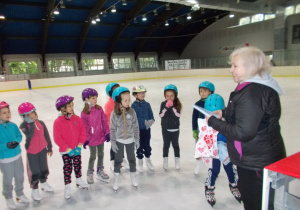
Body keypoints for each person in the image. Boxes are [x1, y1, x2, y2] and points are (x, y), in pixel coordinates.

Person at [206, 46, 286, 210]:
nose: (230, 70)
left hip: (256, 163)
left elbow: (244, 132)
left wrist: (213, 122)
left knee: (255, 204)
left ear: (250, 67)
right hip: (259, 158)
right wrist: (224, 112)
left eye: (235, 66)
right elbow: (251, 116)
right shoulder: (258, 86)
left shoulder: (252, 92)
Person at [196, 94, 241, 207]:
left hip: (226, 150)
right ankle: (209, 187)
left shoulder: (227, 122)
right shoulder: (204, 123)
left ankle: (233, 184)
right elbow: (202, 139)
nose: (213, 117)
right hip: (213, 152)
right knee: (214, 170)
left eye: (216, 114)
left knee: (230, 168)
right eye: (210, 114)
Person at [53, 95, 89, 199]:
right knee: (68, 168)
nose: (72, 108)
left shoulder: (76, 118)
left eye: (72, 105)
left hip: (76, 148)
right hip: (66, 151)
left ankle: (79, 179)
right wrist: (67, 149)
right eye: (69, 106)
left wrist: (79, 144)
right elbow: (57, 138)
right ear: (62, 108)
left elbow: (83, 131)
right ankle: (67, 186)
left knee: (78, 164)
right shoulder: (58, 122)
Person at [19, 102, 54, 201]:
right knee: (35, 171)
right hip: (32, 152)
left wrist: (49, 147)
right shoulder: (24, 126)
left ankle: (44, 182)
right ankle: (34, 189)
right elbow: (29, 134)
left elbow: (46, 135)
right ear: (23, 117)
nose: (31, 116)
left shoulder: (41, 123)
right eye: (27, 115)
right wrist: (31, 123)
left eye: (32, 113)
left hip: (42, 150)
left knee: (44, 168)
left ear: (35, 112)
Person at [0, 101, 29, 209]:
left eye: (8, 112)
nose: (7, 114)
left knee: (19, 176)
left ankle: (19, 193)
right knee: (8, 179)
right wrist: (6, 145)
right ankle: (8, 197)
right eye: (4, 113)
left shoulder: (13, 125)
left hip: (17, 156)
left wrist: (16, 141)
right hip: (5, 159)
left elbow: (19, 135)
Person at [110, 87, 140, 191]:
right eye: (125, 100)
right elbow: (112, 128)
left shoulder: (132, 112)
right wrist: (113, 142)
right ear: (119, 101)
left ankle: (133, 175)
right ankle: (116, 178)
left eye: (129, 100)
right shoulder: (114, 113)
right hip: (119, 141)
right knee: (118, 160)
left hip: (130, 140)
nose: (128, 102)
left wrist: (137, 139)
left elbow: (136, 126)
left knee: (132, 159)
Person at [81, 88, 110, 184]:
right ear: (86, 100)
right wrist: (86, 139)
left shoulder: (99, 108)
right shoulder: (84, 113)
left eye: (96, 97)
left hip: (100, 135)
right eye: (93, 98)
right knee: (93, 155)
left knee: (101, 154)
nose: (95, 100)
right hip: (91, 139)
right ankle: (90, 172)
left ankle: (100, 170)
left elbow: (104, 121)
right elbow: (84, 127)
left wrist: (107, 132)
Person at [104, 82, 129, 171]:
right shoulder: (109, 104)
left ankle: (122, 159)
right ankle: (113, 160)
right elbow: (107, 118)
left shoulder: (122, 101)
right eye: (115, 90)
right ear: (110, 93)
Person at [192, 81, 215, 175]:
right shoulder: (197, 104)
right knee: (199, 148)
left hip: (211, 130)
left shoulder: (214, 102)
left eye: (205, 91)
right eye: (201, 91)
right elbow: (194, 118)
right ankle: (198, 163)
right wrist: (194, 130)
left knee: (211, 149)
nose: (203, 93)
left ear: (210, 92)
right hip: (200, 130)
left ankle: (212, 168)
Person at [131, 85, 155, 172]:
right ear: (135, 95)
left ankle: (148, 160)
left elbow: (152, 117)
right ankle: (140, 161)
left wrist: (147, 124)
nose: (142, 94)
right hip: (137, 131)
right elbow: (131, 119)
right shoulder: (133, 106)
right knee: (139, 147)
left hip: (146, 130)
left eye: (143, 92)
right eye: (140, 93)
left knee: (147, 145)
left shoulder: (147, 105)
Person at [159, 84, 182, 170]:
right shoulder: (163, 104)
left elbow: (177, 115)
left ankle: (177, 160)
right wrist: (165, 108)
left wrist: (172, 107)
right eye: (167, 96)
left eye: (171, 96)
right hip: (165, 129)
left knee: (175, 145)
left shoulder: (177, 104)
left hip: (175, 128)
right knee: (166, 145)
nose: (169, 98)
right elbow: (161, 115)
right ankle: (165, 159)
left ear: (175, 95)